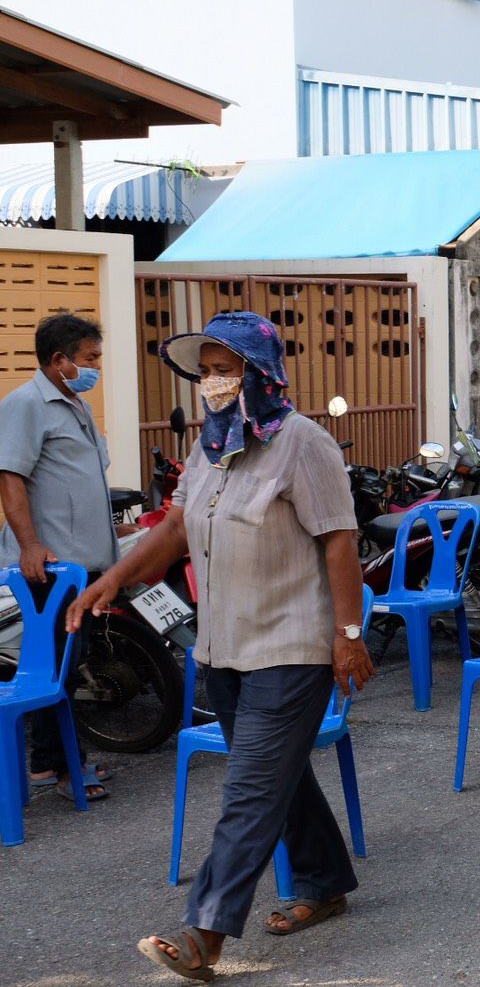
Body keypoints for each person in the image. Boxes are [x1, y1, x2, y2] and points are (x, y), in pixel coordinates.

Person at [67, 312, 372, 982]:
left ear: (260, 372)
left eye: (224, 369)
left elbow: (339, 538)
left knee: (248, 789)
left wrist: (349, 637)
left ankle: (204, 932)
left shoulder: (302, 442)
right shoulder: (211, 446)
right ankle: (323, 880)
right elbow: (177, 524)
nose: (211, 382)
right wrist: (112, 580)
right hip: (224, 647)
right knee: (275, 777)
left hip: (291, 647)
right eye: (204, 371)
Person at [0, 313, 117, 802]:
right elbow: (10, 476)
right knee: (55, 669)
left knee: (66, 665)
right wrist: (29, 544)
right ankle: (62, 767)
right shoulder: (26, 405)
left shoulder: (75, 404)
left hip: (83, 565)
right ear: (58, 360)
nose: (95, 367)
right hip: (51, 567)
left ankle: (51, 764)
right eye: (89, 359)